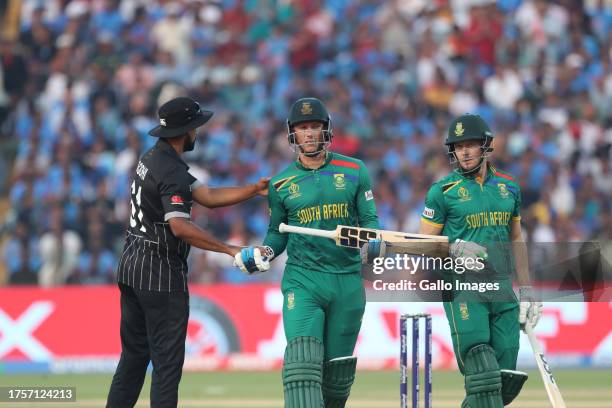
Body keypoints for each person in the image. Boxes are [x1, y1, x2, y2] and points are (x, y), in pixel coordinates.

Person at [366, 113, 543, 407]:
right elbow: (422, 244)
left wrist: (526, 289)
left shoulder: (509, 187)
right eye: (458, 146)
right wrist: (454, 247)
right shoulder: (442, 191)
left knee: (505, 382)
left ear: (486, 146)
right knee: (483, 375)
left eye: (471, 144)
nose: (464, 151)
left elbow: (516, 239)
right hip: (463, 289)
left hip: (502, 291)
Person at [106, 96, 270, 408]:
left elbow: (206, 195)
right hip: (159, 273)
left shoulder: (152, 158)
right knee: (166, 367)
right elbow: (180, 227)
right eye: (196, 127)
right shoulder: (173, 172)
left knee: (133, 358)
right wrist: (229, 248)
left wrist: (252, 190)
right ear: (187, 131)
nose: (198, 133)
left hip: (131, 265)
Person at [234, 97, 379, 408]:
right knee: (302, 365)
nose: (310, 133)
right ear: (292, 134)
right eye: (303, 128)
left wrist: (373, 244)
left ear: (326, 131)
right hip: (303, 280)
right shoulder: (281, 183)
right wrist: (264, 252)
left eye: (315, 126)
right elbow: (277, 234)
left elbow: (370, 222)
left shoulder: (355, 170)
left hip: (347, 281)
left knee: (336, 382)